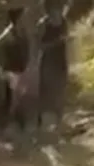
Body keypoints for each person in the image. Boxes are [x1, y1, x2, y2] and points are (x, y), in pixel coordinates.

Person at [0, 6, 30, 132]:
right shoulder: (10, 32)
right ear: (17, 19)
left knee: (16, 97)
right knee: (15, 98)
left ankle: (11, 123)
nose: (24, 19)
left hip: (19, 68)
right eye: (22, 17)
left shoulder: (20, 31)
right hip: (12, 69)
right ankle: (10, 123)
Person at [36, 0, 69, 128]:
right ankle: (42, 123)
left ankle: (59, 122)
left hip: (60, 60)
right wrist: (57, 41)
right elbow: (40, 46)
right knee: (47, 92)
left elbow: (66, 40)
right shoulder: (43, 24)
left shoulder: (63, 21)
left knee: (60, 89)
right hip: (48, 61)